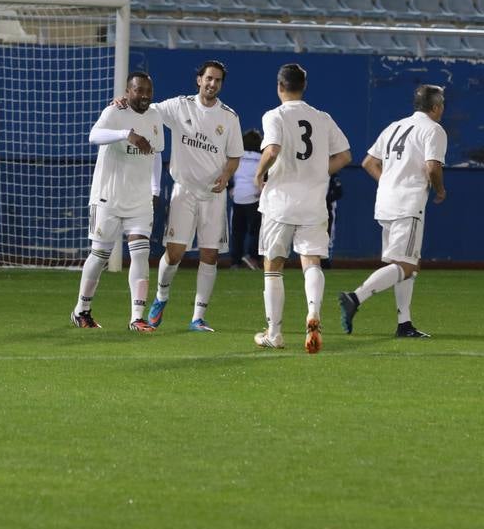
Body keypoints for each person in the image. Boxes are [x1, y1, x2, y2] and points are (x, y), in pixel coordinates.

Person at [253, 63, 351, 353]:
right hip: (313, 203)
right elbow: (345, 155)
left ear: (279, 86)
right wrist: (319, 172)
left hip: (280, 203)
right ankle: (313, 313)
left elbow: (272, 150)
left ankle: (274, 333)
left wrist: (259, 174)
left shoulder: (274, 115)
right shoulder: (322, 117)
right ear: (304, 86)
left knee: (273, 265)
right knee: (311, 262)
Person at [338, 85, 448, 339]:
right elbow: (432, 167)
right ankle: (355, 297)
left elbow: (369, 162)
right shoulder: (433, 130)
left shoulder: (395, 126)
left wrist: (388, 183)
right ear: (435, 107)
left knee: (404, 263)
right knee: (408, 264)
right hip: (408, 202)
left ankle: (404, 323)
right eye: (442, 104)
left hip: (386, 202)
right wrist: (440, 190)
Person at [143, 60, 244, 333]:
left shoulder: (229, 117)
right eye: (208, 78)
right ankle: (161, 298)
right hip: (183, 190)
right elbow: (147, 111)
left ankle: (198, 317)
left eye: (218, 80)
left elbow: (234, 156)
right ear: (199, 79)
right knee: (174, 253)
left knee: (210, 255)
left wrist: (227, 174)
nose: (212, 84)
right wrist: (124, 104)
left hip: (214, 195)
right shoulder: (179, 106)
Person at [71, 71, 163, 331]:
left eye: (148, 90)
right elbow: (94, 136)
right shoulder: (114, 112)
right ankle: (81, 310)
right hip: (107, 198)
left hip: (140, 200)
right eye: (139, 90)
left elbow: (155, 154)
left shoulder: (155, 116)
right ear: (127, 91)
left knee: (141, 254)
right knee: (99, 255)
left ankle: (137, 317)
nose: (144, 95)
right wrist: (126, 134)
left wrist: (155, 190)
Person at [228, 129, 263, 270]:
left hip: (238, 197)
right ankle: (252, 258)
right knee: (255, 231)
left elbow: (227, 172)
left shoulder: (238, 157)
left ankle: (235, 262)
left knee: (237, 232)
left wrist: (231, 189)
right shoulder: (261, 158)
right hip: (254, 198)